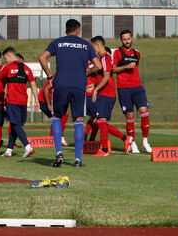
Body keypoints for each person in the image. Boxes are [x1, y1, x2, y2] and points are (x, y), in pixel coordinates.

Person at [39, 19, 102, 167]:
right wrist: (87, 71)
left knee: (56, 118)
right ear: (78, 30)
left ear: (66, 30)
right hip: (79, 86)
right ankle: (78, 159)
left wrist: (49, 77)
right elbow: (98, 65)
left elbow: (42, 58)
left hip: (60, 85)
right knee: (78, 120)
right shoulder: (86, 44)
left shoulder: (58, 42)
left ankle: (58, 152)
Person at [89, 36, 133, 157]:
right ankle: (125, 138)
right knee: (100, 121)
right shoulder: (102, 58)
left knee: (100, 121)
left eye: (93, 47)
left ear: (97, 45)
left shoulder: (104, 58)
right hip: (105, 93)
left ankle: (104, 150)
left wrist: (96, 90)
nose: (92, 50)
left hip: (106, 93)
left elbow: (107, 76)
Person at [111, 30, 152, 154]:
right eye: (124, 39)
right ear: (121, 40)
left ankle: (145, 142)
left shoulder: (137, 53)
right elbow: (112, 70)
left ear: (131, 38)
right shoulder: (117, 53)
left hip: (138, 87)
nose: (127, 41)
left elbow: (136, 66)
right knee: (130, 117)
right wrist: (125, 67)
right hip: (124, 89)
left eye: (128, 39)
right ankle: (132, 143)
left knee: (144, 112)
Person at [0, 47, 38, 158]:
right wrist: (36, 101)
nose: (5, 60)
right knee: (15, 125)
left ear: (9, 56)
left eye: (5, 58)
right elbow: (33, 85)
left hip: (12, 101)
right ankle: (9, 150)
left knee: (15, 125)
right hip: (23, 102)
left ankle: (28, 147)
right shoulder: (27, 69)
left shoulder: (8, 67)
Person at [38, 78, 68, 146]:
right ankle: (55, 138)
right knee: (61, 117)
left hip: (51, 102)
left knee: (61, 117)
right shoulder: (58, 77)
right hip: (44, 102)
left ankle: (56, 138)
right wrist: (48, 105)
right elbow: (46, 89)